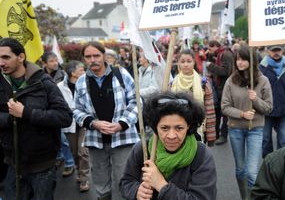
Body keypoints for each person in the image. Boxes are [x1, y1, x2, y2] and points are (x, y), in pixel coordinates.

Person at [0, 38, 72, 199]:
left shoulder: (44, 83)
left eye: (6, 57)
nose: (1, 63)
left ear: (21, 57)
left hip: (42, 165)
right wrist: (9, 119)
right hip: (12, 163)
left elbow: (64, 117)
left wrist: (27, 113)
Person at [119, 92, 217, 200]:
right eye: (164, 128)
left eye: (179, 128)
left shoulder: (201, 155)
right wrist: (137, 191)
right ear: (156, 127)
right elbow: (126, 182)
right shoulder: (143, 149)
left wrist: (161, 185)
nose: (171, 136)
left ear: (188, 126)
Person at [74, 41, 140, 200]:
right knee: (100, 182)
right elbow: (76, 110)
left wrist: (121, 124)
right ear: (84, 59)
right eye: (88, 56)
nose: (92, 60)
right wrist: (93, 123)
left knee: (123, 179)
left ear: (104, 56)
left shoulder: (121, 74)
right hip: (96, 140)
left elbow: (136, 101)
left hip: (123, 138)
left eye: (96, 55)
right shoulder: (82, 81)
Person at [221, 45, 273, 199]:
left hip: (255, 129)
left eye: (244, 59)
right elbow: (225, 107)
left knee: (252, 172)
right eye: (238, 59)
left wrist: (255, 100)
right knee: (240, 170)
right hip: (235, 128)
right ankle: (245, 196)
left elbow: (269, 108)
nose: (240, 62)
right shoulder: (231, 81)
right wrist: (242, 114)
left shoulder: (263, 81)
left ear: (252, 61)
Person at [57, 60, 91, 192]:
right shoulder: (60, 87)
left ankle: (84, 178)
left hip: (84, 123)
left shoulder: (86, 83)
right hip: (69, 124)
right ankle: (78, 170)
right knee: (74, 152)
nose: (84, 72)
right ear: (73, 73)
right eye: (81, 70)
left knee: (83, 152)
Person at [171, 49, 217, 146]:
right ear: (178, 63)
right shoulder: (172, 83)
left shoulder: (203, 82)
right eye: (182, 61)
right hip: (176, 127)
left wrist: (210, 133)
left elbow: (209, 110)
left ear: (194, 62)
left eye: (189, 61)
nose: (186, 64)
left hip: (197, 126)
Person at [259, 45, 285, 158]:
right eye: (273, 50)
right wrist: (262, 103)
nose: (276, 53)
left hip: (284, 109)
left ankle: (281, 162)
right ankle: (268, 162)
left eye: (278, 50)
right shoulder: (262, 68)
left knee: (283, 139)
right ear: (267, 51)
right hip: (266, 110)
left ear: (283, 51)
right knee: (266, 139)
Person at [206, 40, 234, 145]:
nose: (209, 51)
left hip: (225, 88)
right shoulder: (218, 54)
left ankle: (223, 135)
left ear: (215, 46)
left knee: (225, 113)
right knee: (216, 112)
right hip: (218, 87)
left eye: (210, 48)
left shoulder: (225, 54)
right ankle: (216, 134)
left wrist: (211, 66)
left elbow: (226, 71)